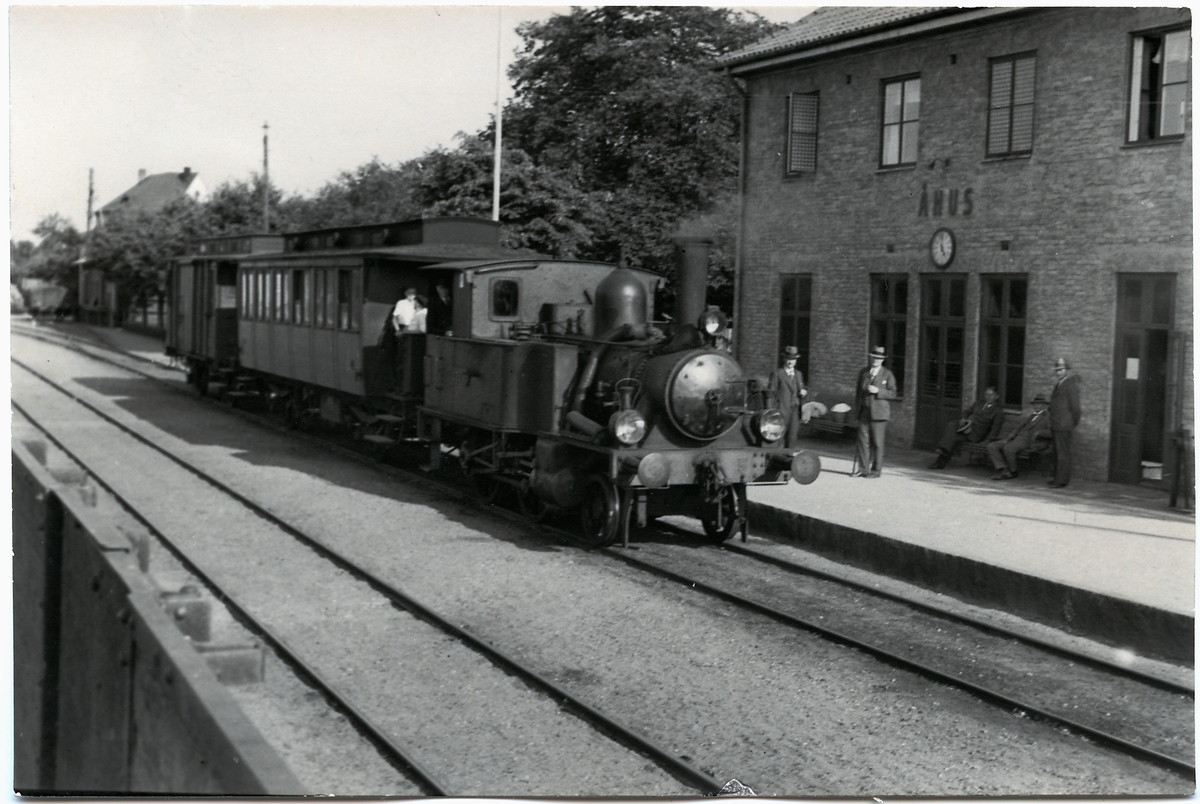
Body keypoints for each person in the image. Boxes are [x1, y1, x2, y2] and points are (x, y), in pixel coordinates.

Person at [930, 386, 1004, 469]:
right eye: (987, 394)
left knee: (952, 438)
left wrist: (989, 440)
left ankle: (942, 455)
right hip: (967, 428)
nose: (988, 397)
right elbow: (967, 411)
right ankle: (942, 456)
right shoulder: (979, 404)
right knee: (952, 426)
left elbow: (995, 427)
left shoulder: (998, 411)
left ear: (997, 396)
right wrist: (963, 418)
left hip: (977, 434)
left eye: (991, 395)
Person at [853, 345, 897, 478]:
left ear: (882, 360)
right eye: (873, 358)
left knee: (877, 443)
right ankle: (863, 469)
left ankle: (876, 470)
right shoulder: (864, 372)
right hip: (864, 412)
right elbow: (858, 393)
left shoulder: (887, 374)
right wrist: (857, 410)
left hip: (879, 414)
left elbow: (893, 393)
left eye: (878, 358)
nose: (875, 360)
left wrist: (878, 391)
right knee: (863, 441)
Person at [986, 393, 1052, 479]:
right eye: (1035, 404)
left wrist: (1039, 432)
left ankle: (1013, 471)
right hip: (1015, 438)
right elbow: (1018, 428)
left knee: (1008, 448)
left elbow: (1051, 432)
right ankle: (1003, 469)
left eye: (1039, 404)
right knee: (992, 446)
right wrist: (1008, 438)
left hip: (1029, 440)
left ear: (1044, 405)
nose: (1036, 406)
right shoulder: (1031, 416)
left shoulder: (1047, 417)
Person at [1048, 357, 1082, 488]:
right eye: (1057, 370)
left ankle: (1061, 480)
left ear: (1067, 371)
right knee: (1057, 452)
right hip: (1056, 424)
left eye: (1061, 370)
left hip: (1063, 425)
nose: (1058, 373)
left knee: (1063, 453)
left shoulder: (1070, 385)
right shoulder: (1059, 384)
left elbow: (1076, 408)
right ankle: (1057, 477)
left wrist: (1071, 423)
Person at [769, 345, 807, 448]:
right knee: (778, 438)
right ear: (784, 359)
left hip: (795, 411)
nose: (790, 362)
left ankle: (788, 459)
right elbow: (771, 394)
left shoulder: (798, 374)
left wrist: (803, 392)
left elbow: (801, 388)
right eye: (788, 359)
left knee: (792, 438)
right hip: (781, 411)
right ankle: (775, 459)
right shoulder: (777, 374)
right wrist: (772, 412)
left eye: (793, 359)